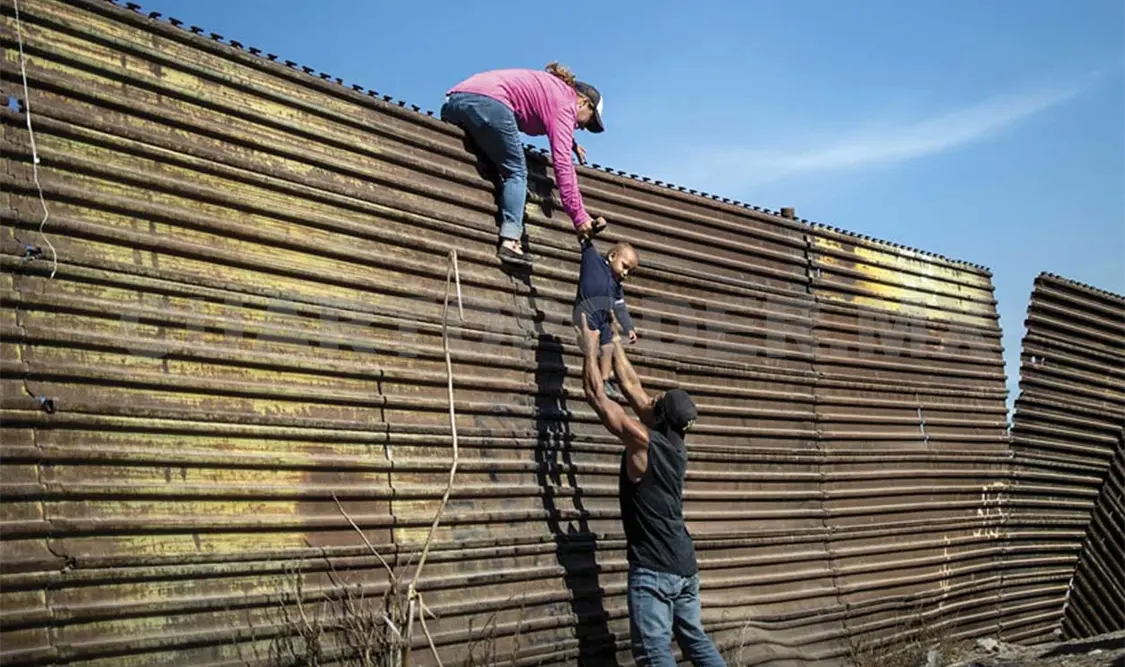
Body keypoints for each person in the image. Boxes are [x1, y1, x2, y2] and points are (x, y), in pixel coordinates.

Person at [575, 314, 727, 667]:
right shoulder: (676, 444)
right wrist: (614, 342)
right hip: (685, 566)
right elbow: (633, 389)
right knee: (696, 640)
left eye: (658, 400)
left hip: (655, 570)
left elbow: (597, 397)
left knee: (653, 652)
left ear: (658, 416)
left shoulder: (643, 442)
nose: (651, 397)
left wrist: (588, 348)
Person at [441, 62, 608, 267]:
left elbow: (545, 115)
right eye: (589, 121)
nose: (583, 127)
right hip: (490, 103)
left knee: (492, 157)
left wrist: (572, 144)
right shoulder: (566, 104)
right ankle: (511, 241)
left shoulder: (554, 91)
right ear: (582, 102)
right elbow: (563, 165)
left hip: (456, 101)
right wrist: (579, 216)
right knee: (517, 172)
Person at [573, 239, 641, 402]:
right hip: (586, 314)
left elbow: (620, 308)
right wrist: (591, 228)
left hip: (603, 318)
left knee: (608, 346)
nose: (625, 274)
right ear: (612, 256)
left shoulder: (617, 286)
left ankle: (605, 380)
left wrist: (629, 327)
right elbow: (585, 239)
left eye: (629, 271)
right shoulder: (593, 262)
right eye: (624, 267)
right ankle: (594, 381)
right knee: (592, 346)